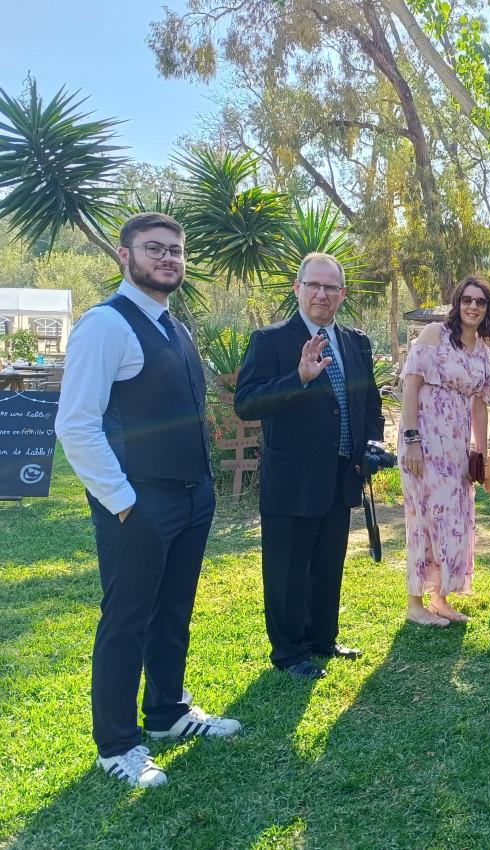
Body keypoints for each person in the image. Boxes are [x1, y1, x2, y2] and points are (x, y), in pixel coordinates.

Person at [55, 211, 240, 787]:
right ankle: (117, 744)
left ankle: (167, 714)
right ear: (124, 255)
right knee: (127, 619)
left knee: (172, 611)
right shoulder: (104, 325)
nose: (168, 259)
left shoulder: (174, 327)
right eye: (154, 248)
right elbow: (76, 424)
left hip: (190, 497)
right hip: (137, 502)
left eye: (176, 251)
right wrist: (122, 500)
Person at [237, 252, 386, 664]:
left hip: (341, 475)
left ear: (342, 294)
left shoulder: (357, 343)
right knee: (286, 570)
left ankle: (323, 638)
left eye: (331, 287)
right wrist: (298, 379)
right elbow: (247, 403)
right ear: (297, 289)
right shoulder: (271, 341)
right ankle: (289, 651)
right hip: (293, 477)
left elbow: (369, 402)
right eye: (314, 285)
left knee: (327, 563)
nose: (322, 294)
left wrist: (371, 443)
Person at [396, 277, 490, 626]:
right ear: (457, 303)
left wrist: (479, 453)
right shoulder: (434, 335)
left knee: (453, 519)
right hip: (423, 438)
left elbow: (481, 404)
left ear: (487, 309)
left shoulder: (482, 350)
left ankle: (440, 597)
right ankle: (415, 602)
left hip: (456, 444)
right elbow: (411, 386)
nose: (473, 306)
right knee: (423, 518)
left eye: (480, 302)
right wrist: (411, 440)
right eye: (467, 300)